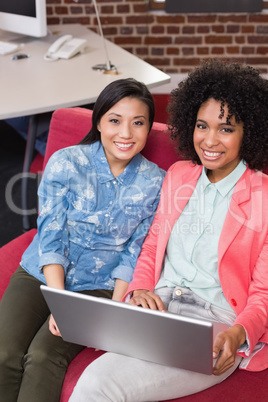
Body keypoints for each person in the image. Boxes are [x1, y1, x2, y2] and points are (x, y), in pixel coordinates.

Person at [69, 59, 268, 401]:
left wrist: (237, 334)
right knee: (93, 363)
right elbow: (152, 246)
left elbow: (263, 293)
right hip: (158, 308)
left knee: (97, 384)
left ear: (249, 131)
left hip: (214, 323)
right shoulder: (178, 175)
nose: (210, 140)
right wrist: (141, 288)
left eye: (226, 128)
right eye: (202, 126)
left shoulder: (263, 196)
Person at [0, 78, 166, 402]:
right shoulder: (66, 162)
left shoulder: (156, 182)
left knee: (44, 357)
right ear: (99, 121)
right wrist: (60, 302)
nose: (126, 133)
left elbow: (136, 251)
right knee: (4, 351)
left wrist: (117, 310)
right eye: (115, 120)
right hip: (42, 272)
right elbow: (50, 233)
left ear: (148, 128)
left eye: (138, 123)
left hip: (100, 287)